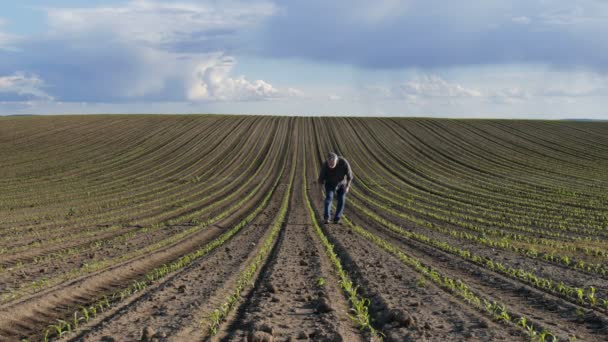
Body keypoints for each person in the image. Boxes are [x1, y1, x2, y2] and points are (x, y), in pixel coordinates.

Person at [318, 152, 353, 224]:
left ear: (336, 160)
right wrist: (320, 191)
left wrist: (347, 186)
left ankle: (337, 218)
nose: (330, 164)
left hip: (341, 183)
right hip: (329, 184)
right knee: (328, 199)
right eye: (329, 162)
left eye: (332, 162)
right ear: (327, 161)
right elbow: (320, 180)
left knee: (341, 200)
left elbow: (350, 176)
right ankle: (326, 218)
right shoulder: (325, 166)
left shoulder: (343, 163)